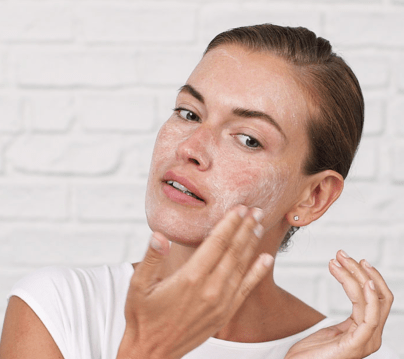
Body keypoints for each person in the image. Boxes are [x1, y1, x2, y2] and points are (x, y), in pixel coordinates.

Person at [0, 24, 397, 359]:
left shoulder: (339, 349)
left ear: (312, 197)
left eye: (247, 139)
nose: (189, 148)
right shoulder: (58, 307)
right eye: (189, 113)